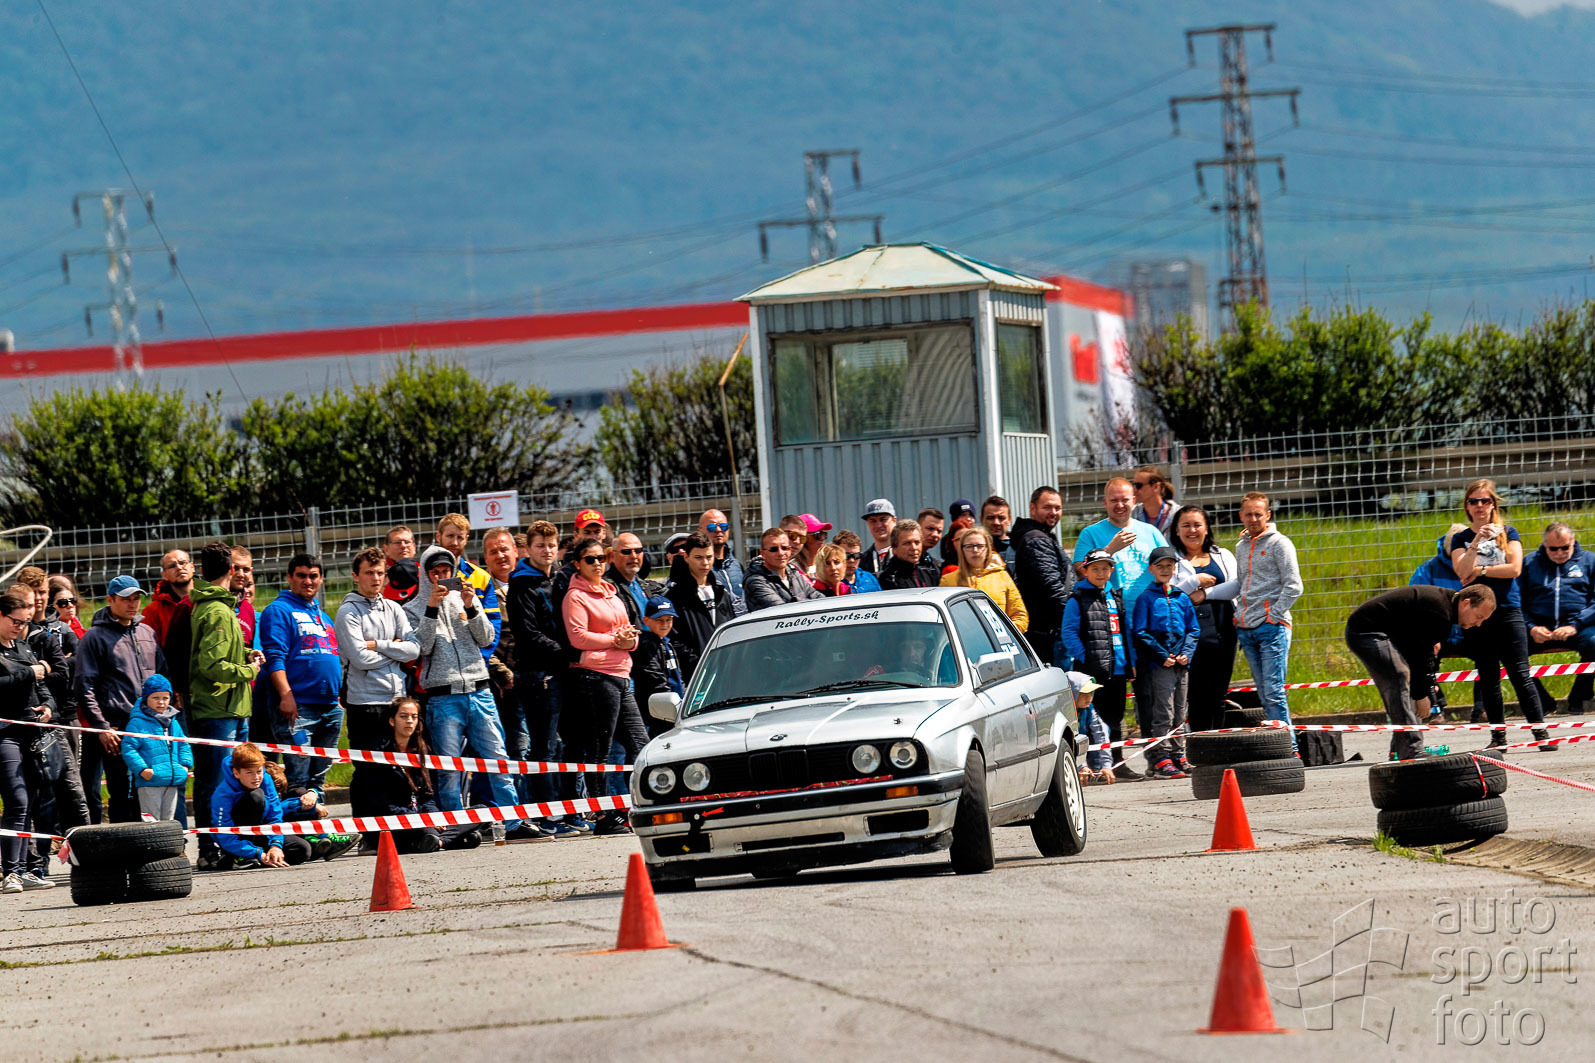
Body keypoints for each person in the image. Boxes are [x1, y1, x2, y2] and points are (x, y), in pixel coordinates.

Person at [409, 545, 539, 839]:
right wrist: (431, 607)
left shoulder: (467, 598)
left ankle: (513, 821)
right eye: (435, 572)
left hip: (480, 690)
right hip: (443, 696)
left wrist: (470, 606)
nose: (441, 577)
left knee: (498, 759)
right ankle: (457, 827)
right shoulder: (413, 609)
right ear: (425, 575)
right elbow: (422, 647)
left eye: (446, 571)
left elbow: (487, 637)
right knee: (449, 768)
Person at [1450, 479, 1551, 750]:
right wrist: (1477, 541)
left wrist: (1480, 572)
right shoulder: (1461, 538)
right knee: (1488, 677)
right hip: (1477, 616)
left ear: (1493, 504)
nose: (1480, 506)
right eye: (1474, 501)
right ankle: (1498, 737)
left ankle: (1540, 732)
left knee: (1520, 673)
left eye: (1485, 500)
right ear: (1467, 506)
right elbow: (1461, 572)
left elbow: (1514, 568)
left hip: (1507, 609)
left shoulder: (1508, 532)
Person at [1346, 584, 1498, 762]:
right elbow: (1417, 655)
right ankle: (1411, 749)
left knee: (1405, 679)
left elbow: (1423, 652)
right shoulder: (1440, 612)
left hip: (1387, 632)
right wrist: (1421, 695)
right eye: (1478, 617)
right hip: (1364, 631)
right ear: (1466, 603)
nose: (1478, 624)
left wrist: (1426, 685)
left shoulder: (1444, 606)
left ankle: (1399, 750)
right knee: (1399, 675)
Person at [189, 541, 266, 871]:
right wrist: (249, 670)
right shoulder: (218, 611)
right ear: (231, 570)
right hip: (219, 709)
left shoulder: (215, 605)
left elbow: (220, 652)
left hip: (229, 707)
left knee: (226, 781)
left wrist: (246, 652)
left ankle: (229, 846)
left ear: (200, 570)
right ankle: (211, 848)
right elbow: (212, 664)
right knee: (217, 783)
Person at [562, 535, 645, 836]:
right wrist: (616, 640)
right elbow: (578, 637)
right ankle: (602, 815)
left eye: (601, 558)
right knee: (601, 748)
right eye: (590, 559)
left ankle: (638, 804)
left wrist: (628, 641)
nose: (597, 563)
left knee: (640, 744)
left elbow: (631, 632)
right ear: (577, 564)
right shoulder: (575, 597)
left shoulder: (612, 592)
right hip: (596, 677)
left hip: (622, 674)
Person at [507, 520, 586, 837]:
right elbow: (528, 633)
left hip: (564, 671)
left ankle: (571, 811)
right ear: (528, 549)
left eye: (551, 545)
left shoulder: (561, 579)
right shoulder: (521, 585)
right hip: (537, 674)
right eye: (540, 546)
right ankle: (546, 815)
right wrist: (569, 653)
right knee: (544, 749)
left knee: (572, 745)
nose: (547, 551)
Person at [74, 575, 165, 824]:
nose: (132, 604)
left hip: (149, 726)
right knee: (121, 792)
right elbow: (84, 685)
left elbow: (161, 678)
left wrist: (164, 718)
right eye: (126, 599)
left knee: (150, 788)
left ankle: (150, 843)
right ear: (110, 600)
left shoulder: (147, 632)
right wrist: (102, 727)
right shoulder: (94, 637)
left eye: (136, 598)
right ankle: (121, 844)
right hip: (116, 730)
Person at [350, 696, 481, 853]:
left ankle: (439, 841)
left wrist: (434, 816)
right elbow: (384, 805)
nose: (409, 721)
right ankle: (448, 838)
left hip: (421, 819)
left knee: (480, 811)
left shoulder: (421, 752)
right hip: (394, 822)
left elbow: (427, 798)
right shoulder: (380, 755)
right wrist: (423, 819)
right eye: (403, 716)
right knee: (455, 834)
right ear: (392, 721)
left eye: (414, 717)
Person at [259, 553, 344, 795]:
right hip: (298, 708)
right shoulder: (278, 610)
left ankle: (317, 818)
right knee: (297, 780)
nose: (308, 581)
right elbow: (275, 657)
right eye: (301, 576)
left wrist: (338, 697)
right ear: (290, 577)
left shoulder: (323, 616)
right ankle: (296, 820)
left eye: (313, 576)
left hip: (330, 707)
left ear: (321, 579)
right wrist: (286, 695)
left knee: (318, 780)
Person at [1234, 492, 1303, 751]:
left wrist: (1273, 616)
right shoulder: (1240, 546)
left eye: (1258, 514)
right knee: (1263, 692)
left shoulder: (1280, 544)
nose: (1253, 519)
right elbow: (1243, 584)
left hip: (1272, 627)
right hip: (1246, 627)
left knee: (1274, 691)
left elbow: (1294, 586)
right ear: (1241, 516)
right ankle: (1279, 745)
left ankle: (1290, 749)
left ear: (1268, 515)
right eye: (1248, 514)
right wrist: (1238, 614)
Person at [0, 593, 59, 892]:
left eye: (24, 623)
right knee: (17, 800)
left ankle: (22, 870)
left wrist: (48, 706)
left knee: (30, 801)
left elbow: (42, 686)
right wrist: (28, 673)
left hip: (32, 734)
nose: (20, 627)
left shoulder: (23, 647)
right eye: (15, 621)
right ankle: (10, 872)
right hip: (4, 735)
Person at [335, 547, 420, 754]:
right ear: (356, 576)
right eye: (369, 573)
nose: (376, 578)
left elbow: (414, 650)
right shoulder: (348, 612)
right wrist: (396, 650)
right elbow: (361, 659)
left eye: (380, 573)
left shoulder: (394, 608)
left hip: (397, 700)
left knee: (398, 765)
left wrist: (380, 645)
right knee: (370, 768)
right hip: (365, 703)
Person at [1060, 551, 1132, 782]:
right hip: (1092, 672)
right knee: (1093, 720)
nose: (1101, 573)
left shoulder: (1115, 596)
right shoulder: (1077, 598)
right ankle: (1090, 765)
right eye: (1095, 569)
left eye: (1105, 568)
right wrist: (1087, 658)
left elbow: (1125, 631)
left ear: (1112, 570)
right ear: (1085, 571)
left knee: (1115, 719)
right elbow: (1068, 633)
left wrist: (1130, 662)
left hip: (1118, 669)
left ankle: (1116, 763)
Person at [1169, 505, 1240, 734]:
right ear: (1176, 530)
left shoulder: (1223, 555)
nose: (1192, 530)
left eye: (1197, 525)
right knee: (1196, 694)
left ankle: (1217, 743)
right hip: (1189, 636)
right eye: (1186, 525)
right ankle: (1199, 743)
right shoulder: (1171, 559)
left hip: (1223, 631)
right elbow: (1169, 595)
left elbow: (1236, 586)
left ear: (1207, 528)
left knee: (1218, 694)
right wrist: (1193, 581)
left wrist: (1204, 594)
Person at [1133, 547, 1198, 779]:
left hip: (1181, 664)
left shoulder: (1182, 598)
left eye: (1169, 566)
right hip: (1160, 665)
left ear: (1175, 568)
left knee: (1180, 711)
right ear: (1151, 569)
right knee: (1164, 712)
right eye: (1160, 566)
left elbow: (1193, 629)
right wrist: (1162, 656)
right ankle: (1161, 757)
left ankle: (1178, 754)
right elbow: (1140, 632)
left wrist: (1186, 653)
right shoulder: (1146, 599)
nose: (1165, 570)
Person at [1520, 522, 1595, 716]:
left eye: (1565, 547)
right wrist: (1531, 626)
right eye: (1553, 548)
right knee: (1509, 648)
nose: (1560, 553)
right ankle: (1542, 701)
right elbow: (1516, 601)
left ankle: (1579, 697)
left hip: (1577, 626)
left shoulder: (1590, 561)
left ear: (1573, 542)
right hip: (1538, 628)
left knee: (1594, 642)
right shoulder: (1529, 563)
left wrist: (1576, 625)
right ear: (1545, 544)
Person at [211, 742, 311, 868]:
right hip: (237, 840)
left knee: (302, 849)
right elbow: (224, 835)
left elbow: (275, 816)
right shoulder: (222, 794)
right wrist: (258, 853)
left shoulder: (266, 779)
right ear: (236, 773)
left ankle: (266, 857)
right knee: (256, 796)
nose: (256, 777)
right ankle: (238, 856)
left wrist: (276, 845)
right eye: (249, 772)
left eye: (259, 771)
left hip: (261, 833)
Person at [1011, 486, 1074, 665]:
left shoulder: (1042, 536)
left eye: (1057, 508)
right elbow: (1052, 587)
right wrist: (1075, 616)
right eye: (1047, 507)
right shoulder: (1036, 540)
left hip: (1050, 633)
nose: (1053, 512)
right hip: (1049, 636)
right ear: (1033, 508)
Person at [662, 532, 737, 682]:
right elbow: (675, 641)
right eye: (698, 557)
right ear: (686, 557)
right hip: (697, 677)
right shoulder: (675, 597)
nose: (705, 563)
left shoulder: (721, 593)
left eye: (709, 557)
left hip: (728, 672)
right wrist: (701, 665)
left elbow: (733, 630)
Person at [119, 674, 192, 820]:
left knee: (168, 822)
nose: (161, 702)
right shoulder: (137, 723)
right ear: (146, 698)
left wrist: (184, 766)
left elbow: (183, 744)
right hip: (150, 782)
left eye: (165, 698)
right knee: (151, 823)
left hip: (172, 780)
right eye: (155, 698)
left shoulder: (173, 722)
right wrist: (143, 770)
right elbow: (128, 748)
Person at [437, 513, 500, 660]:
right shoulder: (424, 575)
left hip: (474, 662)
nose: (454, 542)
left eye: (460, 537)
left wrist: (480, 659)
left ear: (466, 539)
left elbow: (493, 624)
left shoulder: (482, 577)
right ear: (438, 536)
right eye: (450, 536)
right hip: (438, 663)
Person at [942, 527, 1028, 631]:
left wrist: (1003, 633)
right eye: (969, 546)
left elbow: (1020, 616)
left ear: (987, 549)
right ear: (962, 550)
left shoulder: (1002, 577)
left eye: (980, 546)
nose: (975, 550)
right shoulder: (948, 580)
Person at [632, 598, 686, 738]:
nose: (665, 624)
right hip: (659, 712)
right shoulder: (646, 645)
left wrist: (685, 700)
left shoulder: (667, 644)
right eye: (659, 620)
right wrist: (674, 706)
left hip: (676, 707)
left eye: (669, 620)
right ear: (646, 620)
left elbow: (678, 677)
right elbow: (655, 680)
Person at [744, 528, 826, 610]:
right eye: (774, 549)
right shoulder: (756, 582)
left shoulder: (794, 574)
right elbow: (782, 611)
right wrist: (803, 601)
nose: (780, 553)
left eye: (784, 548)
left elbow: (821, 600)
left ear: (790, 550)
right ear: (763, 554)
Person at [1062, 670, 1113, 786]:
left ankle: (1096, 768)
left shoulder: (1089, 708)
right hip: (1070, 749)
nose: (1089, 698)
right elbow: (1070, 742)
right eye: (1084, 693)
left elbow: (1101, 733)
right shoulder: (1065, 712)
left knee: (1104, 728)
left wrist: (1106, 765)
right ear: (1072, 693)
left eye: (1091, 693)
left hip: (1083, 744)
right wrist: (1081, 766)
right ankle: (1078, 770)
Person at [142, 549, 194, 648]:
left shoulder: (208, 598)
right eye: (172, 566)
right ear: (164, 574)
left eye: (182, 562)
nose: (179, 567)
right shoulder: (153, 611)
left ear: (192, 567)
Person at [697, 509, 746, 604]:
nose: (718, 530)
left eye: (723, 526)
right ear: (700, 531)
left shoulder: (736, 565)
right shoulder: (700, 568)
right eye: (712, 527)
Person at [1129, 465, 1178, 536]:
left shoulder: (1177, 515)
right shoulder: (1131, 515)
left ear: (1155, 486)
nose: (1134, 489)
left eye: (1138, 485)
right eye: (1133, 485)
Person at [860, 498, 897, 575]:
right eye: (873, 521)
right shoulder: (861, 561)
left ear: (894, 521)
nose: (878, 525)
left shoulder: (904, 555)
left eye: (883, 519)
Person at [981, 495, 1017, 572]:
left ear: (1009, 520)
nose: (996, 522)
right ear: (981, 520)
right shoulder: (974, 550)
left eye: (1001, 518)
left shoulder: (1019, 549)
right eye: (990, 518)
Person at [941, 499, 976, 569]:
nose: (968, 518)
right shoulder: (947, 537)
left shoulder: (979, 536)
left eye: (971, 515)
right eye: (963, 515)